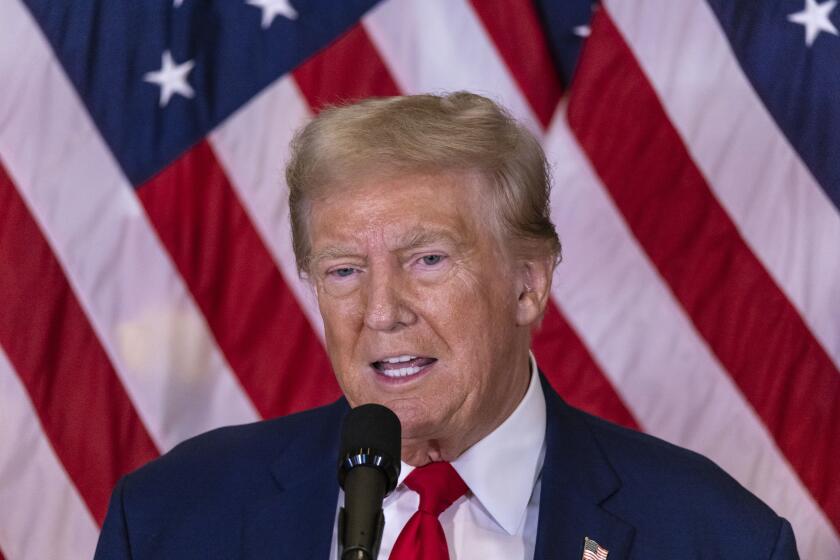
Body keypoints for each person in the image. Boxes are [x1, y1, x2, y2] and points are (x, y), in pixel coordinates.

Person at [95, 92, 798, 559]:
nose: (381, 310)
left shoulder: (715, 538)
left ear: (529, 283)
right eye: (343, 270)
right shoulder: (168, 521)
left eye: (427, 259)